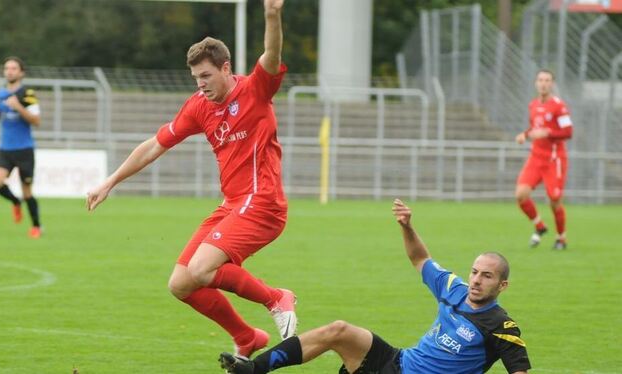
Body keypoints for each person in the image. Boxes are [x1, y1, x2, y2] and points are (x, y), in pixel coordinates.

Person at [86, 0, 296, 359]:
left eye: (206, 76)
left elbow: (271, 54)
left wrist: (272, 15)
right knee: (182, 283)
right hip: (232, 205)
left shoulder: (256, 90)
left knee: (202, 268)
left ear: (226, 68)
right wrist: (111, 181)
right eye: (196, 78)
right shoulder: (199, 106)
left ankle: (277, 298)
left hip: (263, 203)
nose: (201, 85)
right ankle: (247, 338)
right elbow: (155, 145)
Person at [220, 199, 531, 374]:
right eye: (475, 272)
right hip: (397, 361)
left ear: (503, 285)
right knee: (339, 330)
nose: (476, 280)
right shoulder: (454, 288)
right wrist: (407, 226)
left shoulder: (502, 326)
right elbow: (420, 258)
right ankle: (255, 370)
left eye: (486, 276)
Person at [515, 69, 573, 250]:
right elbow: (535, 127)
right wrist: (525, 134)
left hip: (554, 159)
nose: (543, 83)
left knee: (554, 199)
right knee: (521, 195)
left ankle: (561, 238)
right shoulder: (533, 105)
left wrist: (548, 132)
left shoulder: (559, 106)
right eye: (540, 80)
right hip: (536, 157)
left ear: (552, 84)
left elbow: (568, 132)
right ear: (536, 83)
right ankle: (540, 226)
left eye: (547, 80)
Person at [0, 56, 42, 239]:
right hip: (5, 148)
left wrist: (18, 106)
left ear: (21, 72)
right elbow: (4, 116)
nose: (9, 71)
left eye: (13, 68)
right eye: (7, 68)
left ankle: (36, 226)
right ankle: (15, 201)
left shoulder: (28, 94)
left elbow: (36, 121)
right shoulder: (1, 93)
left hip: (24, 150)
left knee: (27, 191)